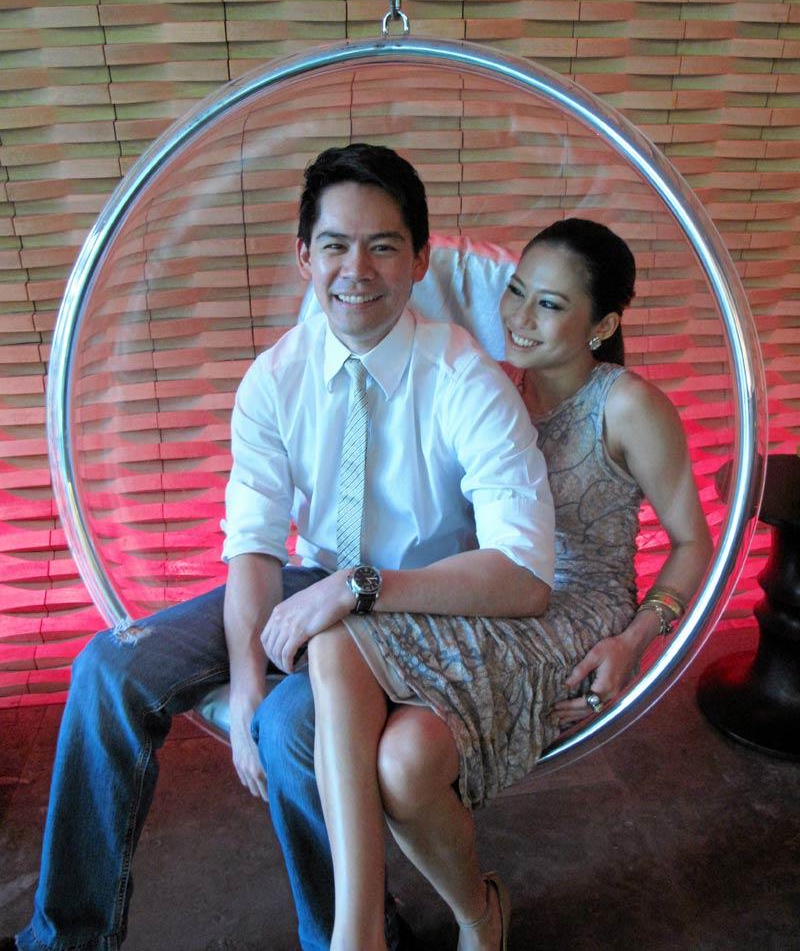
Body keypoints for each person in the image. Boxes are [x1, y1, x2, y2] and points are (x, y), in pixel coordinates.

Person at [14, 143, 556, 951]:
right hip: (312, 581)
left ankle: (349, 932)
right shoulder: (275, 378)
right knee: (107, 667)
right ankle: (64, 939)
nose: (356, 270)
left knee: (293, 725)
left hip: (426, 602)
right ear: (305, 257)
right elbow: (256, 545)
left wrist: (359, 590)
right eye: (335, 245)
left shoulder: (464, 377)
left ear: (419, 260)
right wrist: (243, 682)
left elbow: (522, 573)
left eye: (383, 246)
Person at [301, 218, 713, 950]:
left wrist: (634, 642)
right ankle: (455, 914)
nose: (519, 316)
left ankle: (425, 926)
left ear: (603, 324)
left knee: (385, 720)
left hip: (577, 609)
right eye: (516, 291)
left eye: (549, 304)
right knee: (397, 751)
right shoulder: (487, 381)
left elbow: (692, 542)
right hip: (490, 588)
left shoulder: (627, 405)